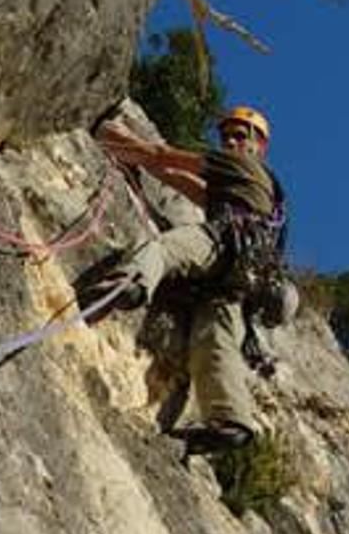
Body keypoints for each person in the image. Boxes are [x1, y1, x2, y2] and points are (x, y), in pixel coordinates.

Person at [81, 106, 299, 456]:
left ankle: (131, 283)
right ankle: (232, 421)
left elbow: (162, 155)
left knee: (164, 248)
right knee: (215, 342)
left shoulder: (240, 164)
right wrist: (137, 159)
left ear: (259, 145)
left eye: (239, 136)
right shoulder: (260, 192)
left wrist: (109, 137)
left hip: (223, 242)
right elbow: (175, 178)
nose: (230, 142)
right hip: (241, 279)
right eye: (226, 136)